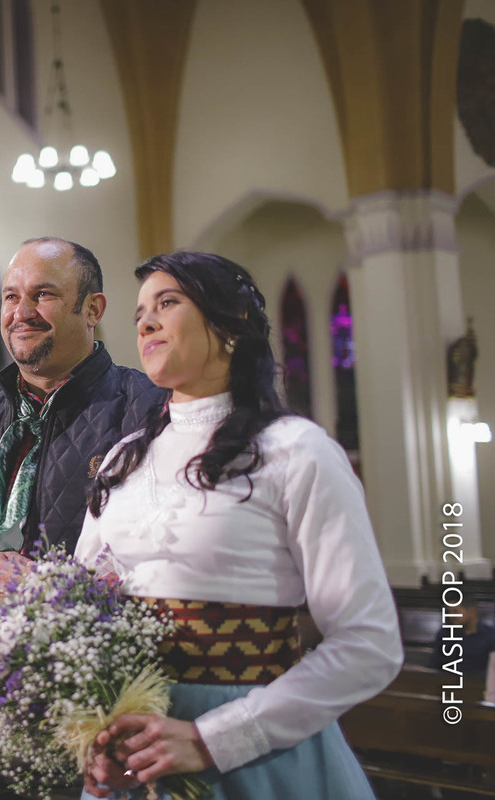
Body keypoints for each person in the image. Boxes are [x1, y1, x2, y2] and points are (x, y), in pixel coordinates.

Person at [75, 252, 403, 799]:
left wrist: (211, 739)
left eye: (168, 303)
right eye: (139, 314)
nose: (146, 322)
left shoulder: (295, 451)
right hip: (134, 750)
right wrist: (90, 732)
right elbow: (77, 611)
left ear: (229, 325)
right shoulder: (122, 462)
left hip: (254, 754)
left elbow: (370, 644)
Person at [0, 237, 165, 800]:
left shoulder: (148, 408)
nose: (20, 313)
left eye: (43, 295)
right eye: (10, 297)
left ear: (92, 309)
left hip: (92, 727)